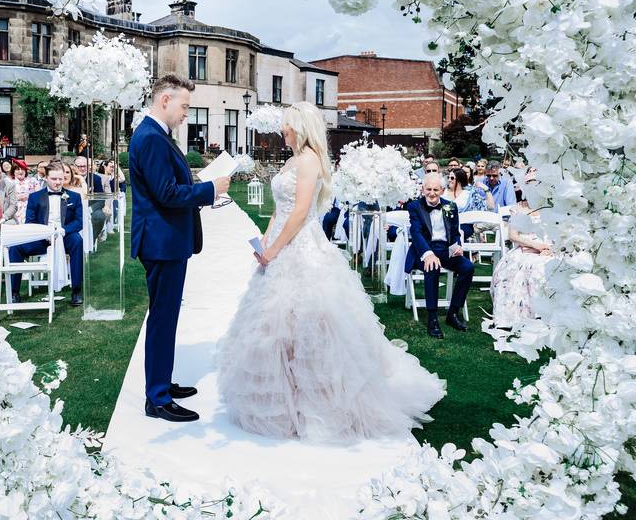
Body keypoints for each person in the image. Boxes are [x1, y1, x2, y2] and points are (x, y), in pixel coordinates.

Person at [217, 102, 445, 442]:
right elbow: (280, 210)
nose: (283, 131)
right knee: (274, 321)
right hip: (280, 243)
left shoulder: (309, 160)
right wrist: (264, 241)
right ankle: (283, 393)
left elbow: (300, 211)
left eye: (288, 127)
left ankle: (317, 399)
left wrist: (276, 248)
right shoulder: (292, 160)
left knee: (312, 318)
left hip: (302, 247)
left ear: (301, 128)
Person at [130, 74, 230, 423]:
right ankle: (156, 398)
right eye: (185, 106)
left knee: (166, 317)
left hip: (166, 239)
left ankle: (161, 383)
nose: (187, 112)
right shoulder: (151, 137)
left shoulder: (157, 135)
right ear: (165, 101)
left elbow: (170, 185)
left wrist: (201, 185)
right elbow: (167, 194)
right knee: (162, 318)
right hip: (161, 242)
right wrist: (209, 190)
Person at [405, 173, 476, 338]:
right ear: (422, 189)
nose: (431, 193)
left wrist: (457, 245)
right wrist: (428, 254)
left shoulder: (450, 206)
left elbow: (455, 233)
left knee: (468, 267)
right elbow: (415, 233)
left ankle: (453, 313)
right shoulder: (415, 206)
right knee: (433, 266)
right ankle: (432, 317)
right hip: (423, 249)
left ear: (442, 190)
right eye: (428, 189)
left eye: (435, 189)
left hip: (445, 249)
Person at [9, 162, 84, 305]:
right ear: (46, 178)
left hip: (64, 236)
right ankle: (14, 291)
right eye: (54, 179)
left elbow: (79, 222)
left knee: (77, 241)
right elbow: (30, 222)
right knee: (16, 246)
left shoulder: (74, 197)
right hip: (41, 238)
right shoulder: (35, 197)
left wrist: (64, 231)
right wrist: (45, 234)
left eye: (60, 179)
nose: (58, 182)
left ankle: (76, 290)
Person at [490, 169, 551, 328]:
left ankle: (546, 316)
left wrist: (548, 247)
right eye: (530, 185)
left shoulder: (548, 208)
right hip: (524, 248)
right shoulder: (518, 208)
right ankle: (522, 316)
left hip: (546, 249)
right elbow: (513, 236)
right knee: (523, 269)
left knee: (549, 267)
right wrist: (535, 245)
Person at [12, 160, 40, 224]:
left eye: (22, 169)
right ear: (13, 171)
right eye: (17, 169)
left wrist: (29, 197)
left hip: (30, 209)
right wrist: (17, 197)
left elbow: (39, 196)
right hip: (15, 211)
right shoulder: (8, 182)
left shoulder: (33, 181)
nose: (20, 171)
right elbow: (6, 199)